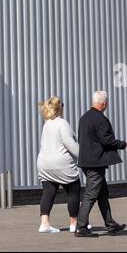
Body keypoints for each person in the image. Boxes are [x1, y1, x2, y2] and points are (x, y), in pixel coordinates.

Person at [75, 89, 127, 237]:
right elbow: (106, 139)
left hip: (86, 161)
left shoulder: (84, 117)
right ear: (104, 103)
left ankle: (111, 225)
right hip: (95, 163)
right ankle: (81, 227)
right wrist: (121, 144)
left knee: (102, 194)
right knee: (91, 194)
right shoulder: (100, 119)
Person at [35, 96, 80, 234]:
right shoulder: (62, 123)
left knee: (48, 193)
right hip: (61, 164)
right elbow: (70, 144)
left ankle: (44, 224)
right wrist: (82, 154)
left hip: (44, 164)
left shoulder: (46, 124)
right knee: (73, 190)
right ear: (60, 108)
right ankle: (74, 223)